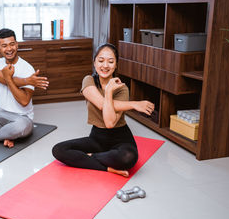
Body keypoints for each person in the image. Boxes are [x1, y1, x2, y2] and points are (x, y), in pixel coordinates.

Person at [52, 43, 154, 177]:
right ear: (94, 62)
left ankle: (91, 157)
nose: (105, 65)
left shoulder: (122, 89)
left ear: (116, 65)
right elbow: (101, 105)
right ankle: (108, 168)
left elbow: (110, 123)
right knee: (59, 150)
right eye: (101, 60)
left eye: (110, 61)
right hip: (96, 138)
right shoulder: (88, 81)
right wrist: (133, 104)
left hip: (121, 138)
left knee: (127, 157)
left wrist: (111, 91)